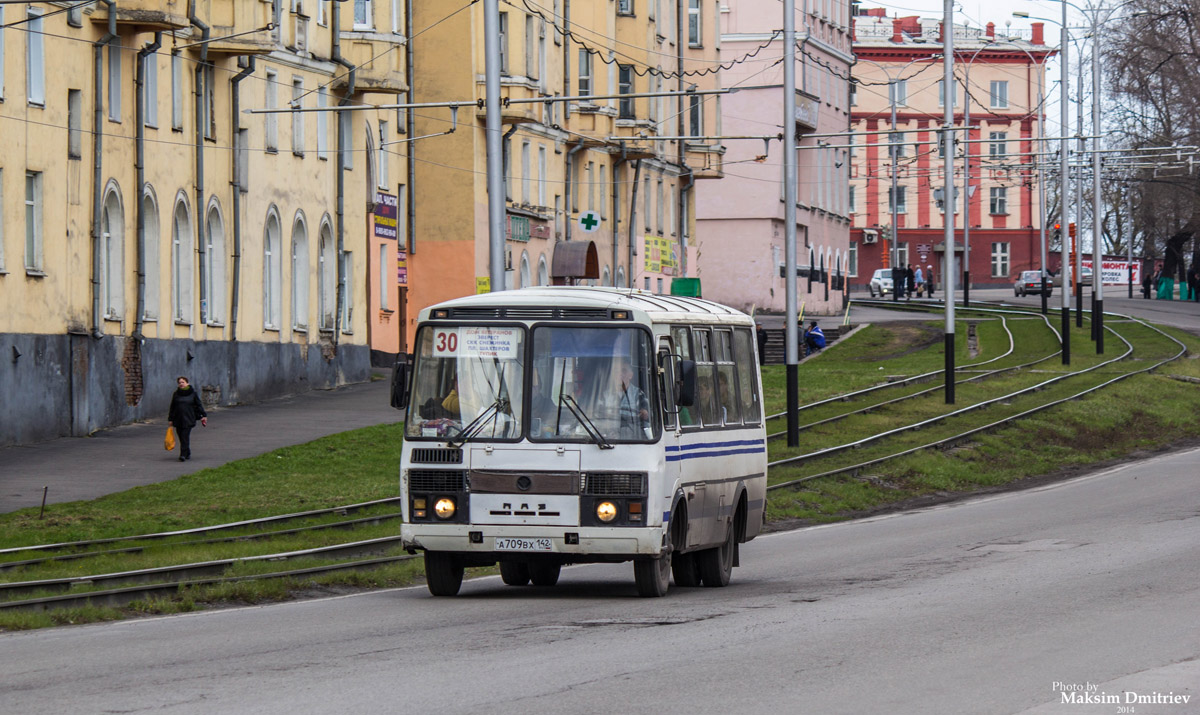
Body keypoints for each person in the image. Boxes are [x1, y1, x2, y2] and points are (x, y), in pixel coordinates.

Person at [167, 376, 207, 462]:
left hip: (189, 418)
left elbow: (198, 404)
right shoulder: (176, 394)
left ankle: (183, 455)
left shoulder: (193, 393)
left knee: (185, 436)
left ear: (187, 383)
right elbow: (172, 407)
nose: (181, 384)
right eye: (179, 383)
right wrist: (170, 419)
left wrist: (204, 415)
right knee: (181, 436)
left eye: (183, 382)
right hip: (178, 418)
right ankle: (187, 452)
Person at [615, 360, 650, 439]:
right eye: (617, 371)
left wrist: (645, 414)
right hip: (608, 437)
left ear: (630, 375)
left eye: (623, 371)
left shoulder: (638, 394)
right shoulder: (605, 395)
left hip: (632, 439)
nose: (620, 374)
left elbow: (646, 418)